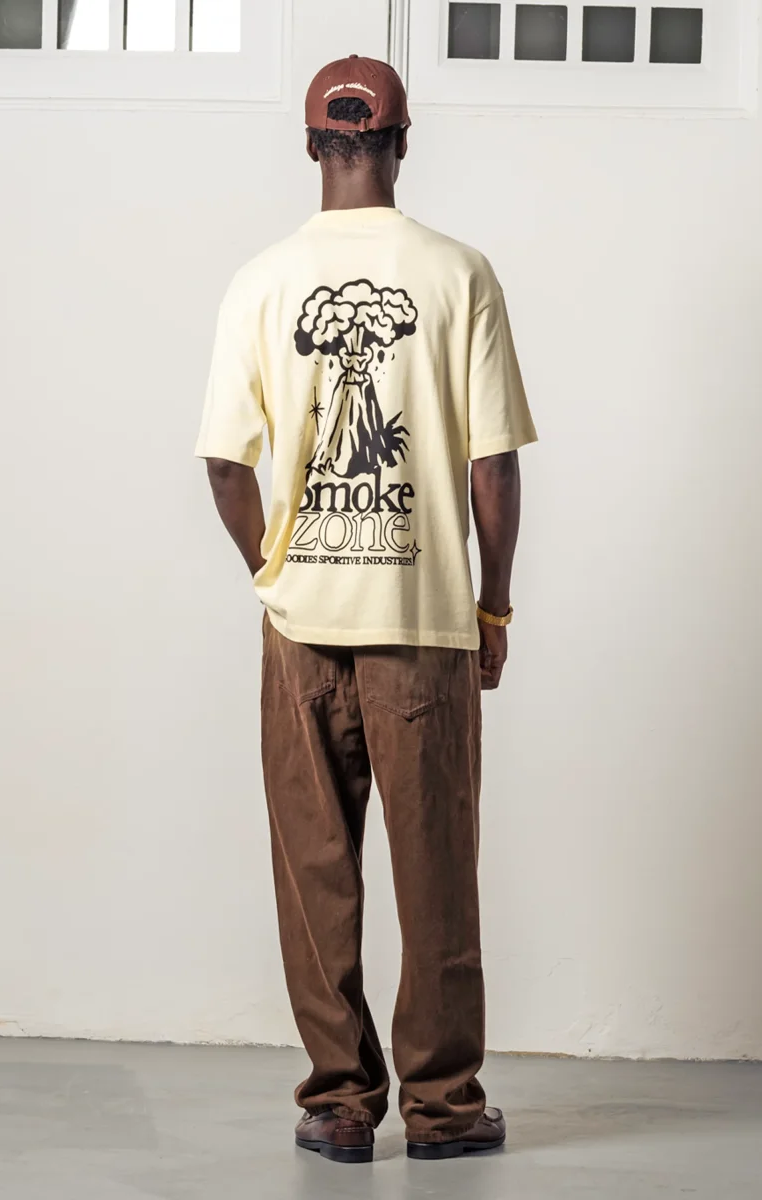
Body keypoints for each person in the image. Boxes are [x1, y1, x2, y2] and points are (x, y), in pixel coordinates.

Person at [195, 55, 537, 1164]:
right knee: (437, 871)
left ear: (313, 146)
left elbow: (225, 465)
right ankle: (444, 1109)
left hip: (300, 626)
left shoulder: (259, 280)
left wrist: (274, 572)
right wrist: (493, 610)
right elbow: (494, 466)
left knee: (315, 868)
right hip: (425, 624)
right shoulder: (459, 273)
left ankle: (339, 1104)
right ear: (403, 142)